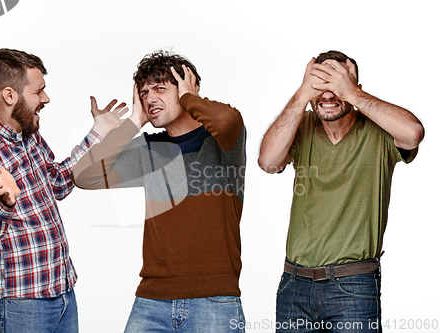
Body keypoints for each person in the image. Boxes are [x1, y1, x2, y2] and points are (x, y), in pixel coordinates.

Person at [0, 48, 127, 333]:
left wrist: (99, 132)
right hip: (21, 302)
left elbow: (58, 181)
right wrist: (5, 202)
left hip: (63, 291)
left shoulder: (27, 135)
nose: (46, 98)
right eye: (38, 91)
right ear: (10, 96)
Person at [72, 51, 247, 332]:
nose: (150, 98)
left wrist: (191, 99)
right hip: (151, 302)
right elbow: (84, 176)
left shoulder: (222, 143)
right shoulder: (150, 150)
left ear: (188, 88)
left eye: (161, 89)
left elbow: (228, 119)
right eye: (144, 93)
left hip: (214, 301)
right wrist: (133, 121)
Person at [258, 50, 424, 332]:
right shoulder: (302, 127)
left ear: (354, 85)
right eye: (320, 85)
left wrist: (352, 93)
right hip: (294, 284)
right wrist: (301, 95)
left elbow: (413, 133)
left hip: (353, 284)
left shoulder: (378, 130)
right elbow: (268, 162)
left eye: (337, 86)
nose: (328, 95)